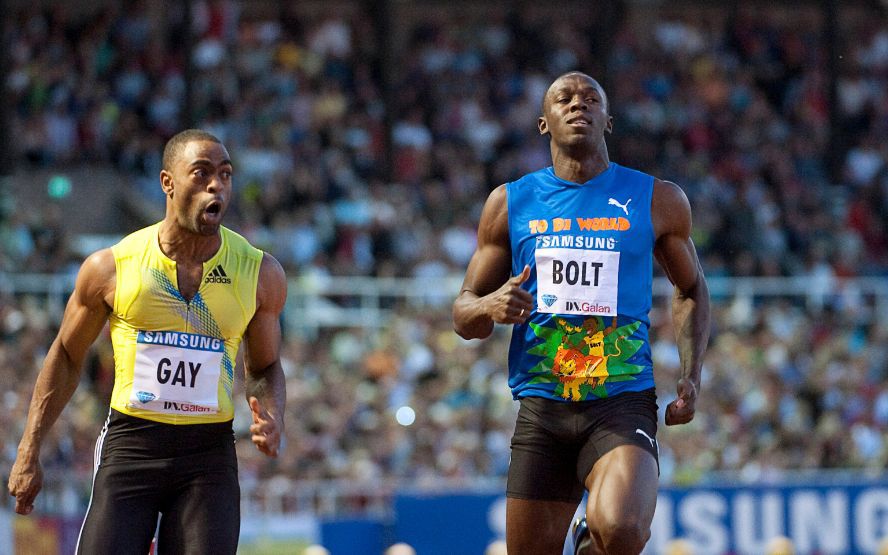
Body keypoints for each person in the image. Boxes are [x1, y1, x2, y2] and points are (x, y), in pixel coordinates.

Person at [453, 71, 710, 554]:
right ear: (543, 123)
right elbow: (464, 314)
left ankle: (594, 537)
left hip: (621, 399)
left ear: (608, 121)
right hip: (543, 406)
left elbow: (692, 287)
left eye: (591, 98)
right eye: (564, 99)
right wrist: (490, 303)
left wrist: (692, 373)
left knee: (621, 529)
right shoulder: (510, 203)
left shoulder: (656, 198)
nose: (578, 105)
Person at [7, 129, 288, 555]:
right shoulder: (112, 268)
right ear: (167, 183)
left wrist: (272, 412)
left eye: (226, 175)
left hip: (208, 456)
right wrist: (30, 449)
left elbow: (265, 367)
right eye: (202, 173)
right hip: (132, 445)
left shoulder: (258, 273)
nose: (217, 185)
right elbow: (65, 355)